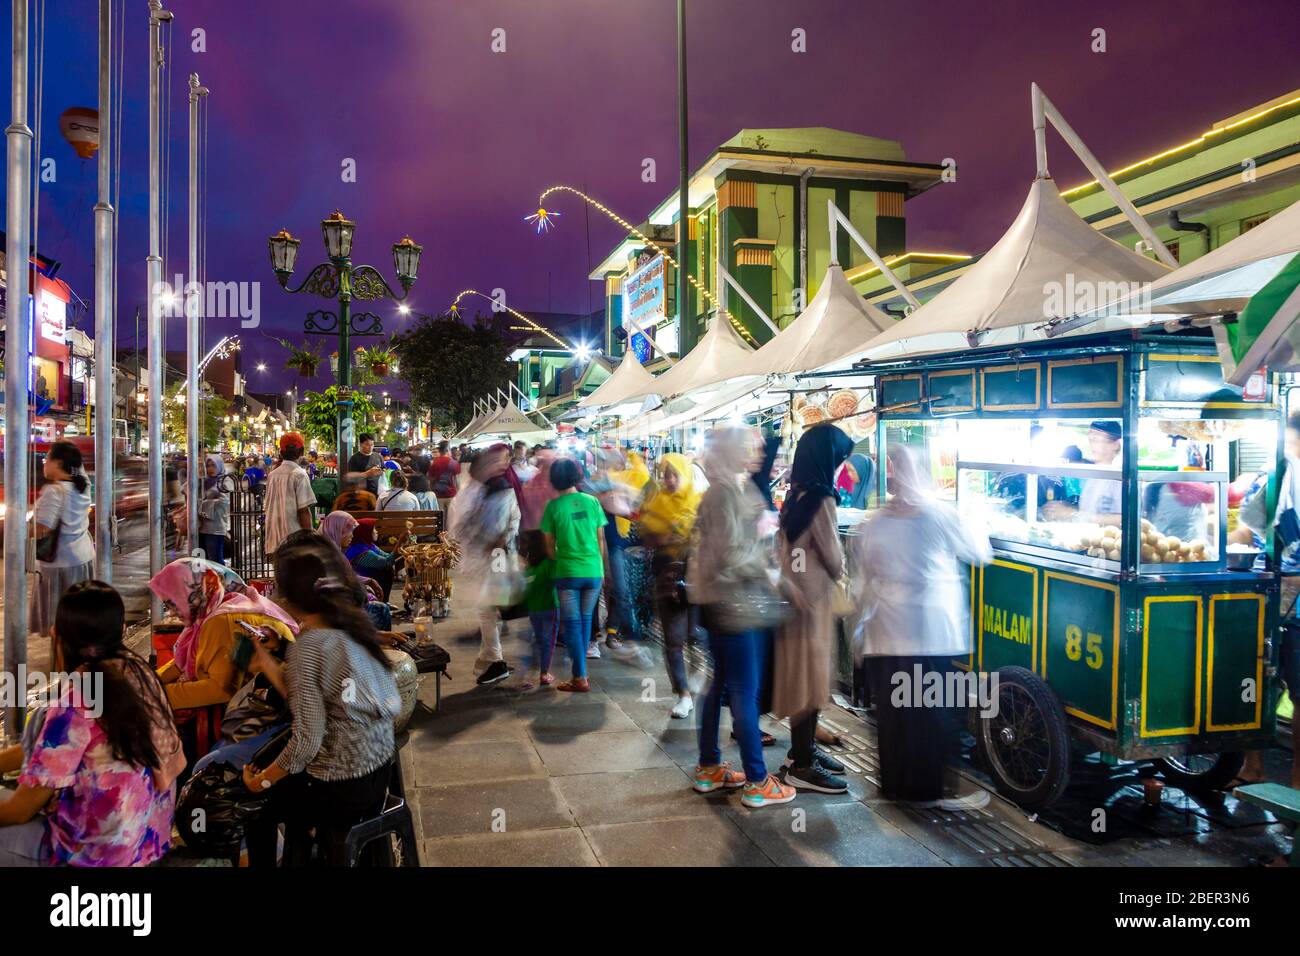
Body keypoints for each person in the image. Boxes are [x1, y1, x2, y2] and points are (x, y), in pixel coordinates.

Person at [242, 536, 401, 867]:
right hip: (380, 770)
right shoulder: (352, 624)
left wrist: (263, 781)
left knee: (254, 804)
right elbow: (312, 700)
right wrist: (270, 665)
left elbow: (306, 742)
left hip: (342, 785)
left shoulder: (309, 646)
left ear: (290, 596)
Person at [0, 581, 184, 867]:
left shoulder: (75, 701)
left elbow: (20, 810)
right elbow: (47, 748)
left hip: (98, 855)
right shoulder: (139, 671)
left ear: (57, 636)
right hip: (149, 839)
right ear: (120, 631)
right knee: (39, 717)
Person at [850, 444, 993, 810]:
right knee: (928, 713)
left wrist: (860, 628)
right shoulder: (940, 515)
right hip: (928, 630)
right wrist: (974, 512)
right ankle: (927, 793)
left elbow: (863, 576)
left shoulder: (875, 521)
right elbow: (980, 554)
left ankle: (896, 786)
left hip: (886, 629)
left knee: (895, 714)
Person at [688, 427, 796, 810]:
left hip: (722, 604)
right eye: (745, 447)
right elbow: (732, 555)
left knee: (718, 686)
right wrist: (766, 571)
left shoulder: (723, 490)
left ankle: (709, 768)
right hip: (736, 606)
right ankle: (756, 780)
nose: (752, 453)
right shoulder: (723, 495)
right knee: (743, 693)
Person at [150, 556, 299, 766]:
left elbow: (220, 689)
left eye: (172, 603)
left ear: (195, 592)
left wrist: (156, 694)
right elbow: (181, 664)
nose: (171, 612)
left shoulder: (222, 620)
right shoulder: (220, 606)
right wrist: (150, 683)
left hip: (267, 719)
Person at [774, 423, 855, 794]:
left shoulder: (795, 495)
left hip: (794, 598)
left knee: (802, 675)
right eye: (839, 459)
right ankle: (803, 764)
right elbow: (834, 558)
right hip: (814, 603)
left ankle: (799, 752)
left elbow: (787, 551)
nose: (840, 466)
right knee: (812, 678)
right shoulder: (822, 499)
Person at [446, 443, 522, 685]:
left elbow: (464, 528)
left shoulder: (493, 490)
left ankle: (495, 661)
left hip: (492, 560)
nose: (502, 464)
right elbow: (512, 521)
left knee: (487, 609)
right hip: (495, 558)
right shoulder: (492, 489)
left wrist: (490, 540)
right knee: (489, 609)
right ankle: (491, 661)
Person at [637, 452, 701, 717]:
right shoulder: (656, 502)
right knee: (673, 640)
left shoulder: (699, 502)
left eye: (675, 474)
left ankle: (697, 670)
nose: (670, 479)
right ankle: (683, 694)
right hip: (667, 578)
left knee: (696, 636)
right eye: (666, 474)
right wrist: (666, 535)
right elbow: (645, 533)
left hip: (698, 578)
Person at [540, 458, 607, 693]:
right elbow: (601, 540)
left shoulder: (553, 507)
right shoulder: (592, 502)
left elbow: (548, 546)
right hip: (593, 572)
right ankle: (580, 674)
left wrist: (559, 561)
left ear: (555, 480)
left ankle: (580, 677)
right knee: (586, 621)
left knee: (572, 626)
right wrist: (600, 569)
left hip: (568, 572)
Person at [30, 440, 95, 640]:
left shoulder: (54, 491)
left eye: (47, 459)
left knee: (60, 624)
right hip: (83, 558)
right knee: (79, 619)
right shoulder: (82, 486)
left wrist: (25, 525)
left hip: (60, 565)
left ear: (58, 463)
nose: (44, 464)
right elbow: (78, 469)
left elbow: (42, 529)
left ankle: (63, 664)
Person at [318, 512, 394, 630]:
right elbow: (338, 585)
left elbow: (345, 576)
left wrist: (368, 581)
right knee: (381, 610)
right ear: (338, 531)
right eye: (348, 532)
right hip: (337, 609)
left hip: (346, 601)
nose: (352, 536)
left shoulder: (336, 551)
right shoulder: (327, 555)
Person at [515, 529, 558, 690]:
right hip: (550, 609)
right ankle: (544, 673)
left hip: (533, 611)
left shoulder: (529, 569)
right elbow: (558, 581)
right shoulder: (549, 565)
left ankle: (522, 675)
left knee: (533, 641)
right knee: (547, 642)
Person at [262, 433, 316, 558]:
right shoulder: (299, 475)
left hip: (274, 541)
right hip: (294, 543)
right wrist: (310, 538)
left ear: (281, 452)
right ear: (301, 451)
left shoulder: (272, 475)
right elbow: (303, 511)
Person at [345, 518, 404, 601]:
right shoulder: (360, 551)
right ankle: (382, 602)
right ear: (365, 532)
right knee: (387, 569)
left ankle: (385, 601)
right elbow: (387, 561)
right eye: (373, 529)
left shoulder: (369, 545)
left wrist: (404, 552)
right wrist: (400, 542)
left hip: (371, 578)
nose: (376, 531)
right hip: (362, 581)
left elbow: (387, 556)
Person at [198, 453, 231, 564]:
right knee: (202, 561)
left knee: (215, 560)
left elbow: (224, 502)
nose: (210, 469)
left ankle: (219, 581)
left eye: (213, 465)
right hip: (200, 527)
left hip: (215, 527)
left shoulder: (224, 481)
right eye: (208, 466)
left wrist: (203, 505)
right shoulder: (204, 481)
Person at [428, 440, 462, 508]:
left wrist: (432, 490)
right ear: (448, 450)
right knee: (451, 517)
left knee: (440, 517)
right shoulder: (454, 463)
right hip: (451, 495)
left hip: (438, 495)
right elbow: (457, 481)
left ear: (439, 451)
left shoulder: (434, 463)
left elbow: (431, 480)